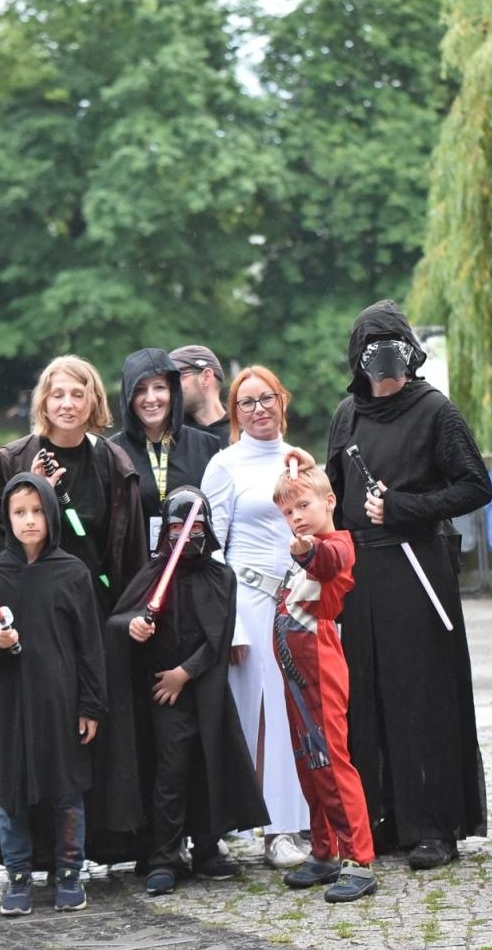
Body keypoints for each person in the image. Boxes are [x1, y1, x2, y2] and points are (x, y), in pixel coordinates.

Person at [324, 300, 491, 870]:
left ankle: (434, 827)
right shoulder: (347, 414)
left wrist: (404, 507)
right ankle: (384, 817)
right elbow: (334, 491)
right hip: (360, 579)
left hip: (417, 571)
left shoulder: (435, 411)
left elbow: (474, 488)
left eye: (393, 347)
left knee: (422, 697)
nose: (386, 364)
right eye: (374, 351)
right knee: (366, 698)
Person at [98, 487, 269, 896]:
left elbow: (219, 638)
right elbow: (118, 621)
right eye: (176, 527)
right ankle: (165, 854)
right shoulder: (153, 574)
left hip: (204, 690)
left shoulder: (220, 577)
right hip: (163, 697)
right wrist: (134, 626)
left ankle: (208, 847)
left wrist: (185, 673)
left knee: (209, 763)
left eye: (194, 526)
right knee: (170, 771)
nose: (185, 534)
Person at [0, 473, 105, 916]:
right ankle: (19, 876)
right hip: (11, 703)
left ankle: (69, 872)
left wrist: (90, 705)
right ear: (7, 519)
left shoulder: (73, 572)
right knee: (12, 791)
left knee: (67, 789)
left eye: (37, 511)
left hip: (62, 701)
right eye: (19, 512)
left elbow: (90, 646)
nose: (29, 521)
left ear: (51, 513)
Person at [202, 366, 310, 869]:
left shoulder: (300, 462)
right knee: (258, 713)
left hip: (301, 601)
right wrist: (235, 624)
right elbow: (211, 547)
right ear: (233, 412)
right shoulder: (225, 465)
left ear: (281, 401)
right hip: (249, 602)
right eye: (246, 402)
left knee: (300, 710)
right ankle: (271, 827)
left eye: (266, 398)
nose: (258, 409)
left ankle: (300, 819)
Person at [271, 460, 377, 904]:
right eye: (287, 510)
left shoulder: (337, 545)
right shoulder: (304, 546)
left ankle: (360, 859)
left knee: (332, 760)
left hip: (320, 664)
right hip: (295, 671)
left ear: (330, 502)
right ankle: (324, 848)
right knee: (307, 763)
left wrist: (306, 549)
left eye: (303, 505)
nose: (295, 515)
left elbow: (328, 559)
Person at [0, 356, 147, 615]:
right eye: (58, 395)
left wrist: (132, 615)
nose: (68, 404)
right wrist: (38, 496)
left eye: (78, 395)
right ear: (44, 402)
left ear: (93, 402)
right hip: (33, 604)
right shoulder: (12, 459)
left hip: (98, 602)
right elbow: (1, 546)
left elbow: (132, 550)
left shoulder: (114, 462)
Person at [112, 349, 222, 548]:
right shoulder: (112, 453)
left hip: (193, 568)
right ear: (128, 395)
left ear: (173, 392)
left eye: (159, 387)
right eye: (140, 389)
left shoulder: (207, 446)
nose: (151, 398)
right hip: (136, 572)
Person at [171, 344, 231, 447]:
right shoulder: (171, 436)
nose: (170, 387)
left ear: (206, 377)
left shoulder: (246, 434)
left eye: (176, 377)